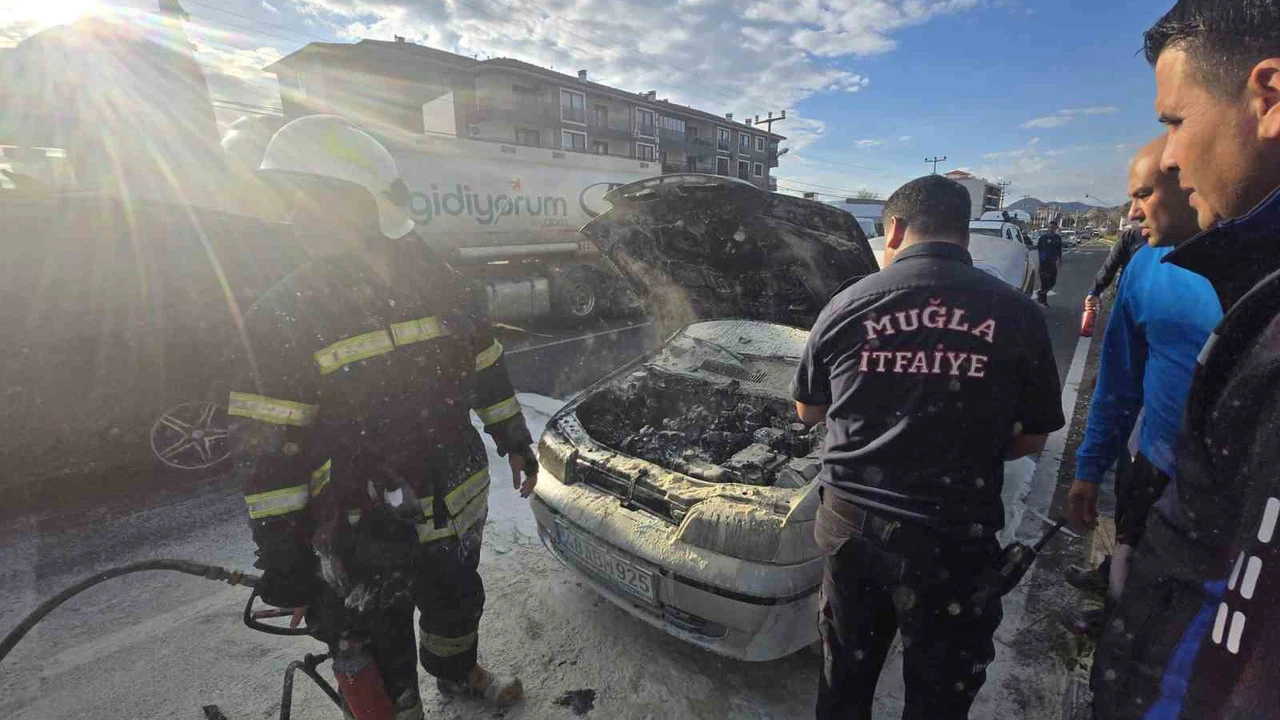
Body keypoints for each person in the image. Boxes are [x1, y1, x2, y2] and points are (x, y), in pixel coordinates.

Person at [228, 115, 537, 718]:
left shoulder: (443, 285)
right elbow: (267, 451)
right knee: (374, 634)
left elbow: (485, 367)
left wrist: (515, 439)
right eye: (292, 201)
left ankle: (457, 674)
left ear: (367, 204)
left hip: (454, 495)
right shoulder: (283, 313)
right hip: (362, 523)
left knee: (456, 602)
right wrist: (284, 555)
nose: (296, 217)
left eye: (313, 201)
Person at [793, 174, 1065, 720]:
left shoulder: (847, 303)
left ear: (894, 228)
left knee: (844, 679)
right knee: (939, 696)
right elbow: (1034, 436)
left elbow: (809, 411)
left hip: (852, 529)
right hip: (953, 539)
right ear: (964, 231)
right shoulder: (1016, 313)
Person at [1091, 1, 1280, 717]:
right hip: (1156, 475)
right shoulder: (1184, 269)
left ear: (1268, 97)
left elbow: (1240, 618)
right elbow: (1118, 380)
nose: (1170, 155)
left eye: (1175, 120)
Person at [1063, 137, 1220, 633]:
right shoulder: (1144, 267)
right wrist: (1090, 468)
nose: (1131, 213)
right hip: (1152, 462)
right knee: (1130, 569)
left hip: (1229, 489)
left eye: (1143, 195)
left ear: (1191, 182)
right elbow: (1118, 381)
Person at [1036, 220, 1064, 306]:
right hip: (1044, 264)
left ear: (1056, 228)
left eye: (1053, 227)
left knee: (1052, 282)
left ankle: (1041, 293)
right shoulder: (1043, 238)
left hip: (1052, 263)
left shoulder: (1058, 238)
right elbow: (1039, 249)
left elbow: (1059, 250)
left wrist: (1060, 260)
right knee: (1044, 283)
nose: (1051, 229)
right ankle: (1043, 301)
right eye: (1050, 227)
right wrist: (1042, 259)